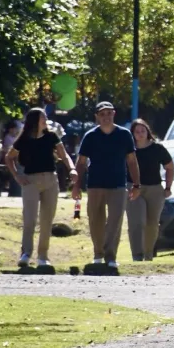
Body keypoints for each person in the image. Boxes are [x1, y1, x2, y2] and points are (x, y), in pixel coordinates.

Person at [5, 108, 78, 267]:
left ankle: (43, 256)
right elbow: (9, 158)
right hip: (30, 181)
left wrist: (72, 168)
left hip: (51, 180)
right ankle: (26, 253)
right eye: (42, 118)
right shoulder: (24, 139)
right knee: (29, 218)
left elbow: (64, 155)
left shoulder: (52, 136)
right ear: (34, 120)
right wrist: (17, 175)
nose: (45, 120)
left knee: (47, 220)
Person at [74, 102, 139, 270]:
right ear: (97, 117)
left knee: (115, 221)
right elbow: (81, 162)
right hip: (95, 184)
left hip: (117, 185)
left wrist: (136, 184)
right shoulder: (90, 136)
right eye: (102, 114)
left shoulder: (124, 135)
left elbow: (132, 161)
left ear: (114, 114)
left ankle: (110, 256)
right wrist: (76, 185)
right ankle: (98, 253)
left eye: (109, 113)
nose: (106, 117)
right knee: (95, 220)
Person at [126, 119, 174, 262]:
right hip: (134, 188)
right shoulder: (129, 150)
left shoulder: (157, 149)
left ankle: (148, 255)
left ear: (148, 132)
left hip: (154, 189)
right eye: (137, 132)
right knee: (137, 221)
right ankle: (137, 255)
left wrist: (168, 187)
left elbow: (169, 167)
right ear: (132, 134)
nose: (140, 134)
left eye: (143, 131)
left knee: (152, 223)